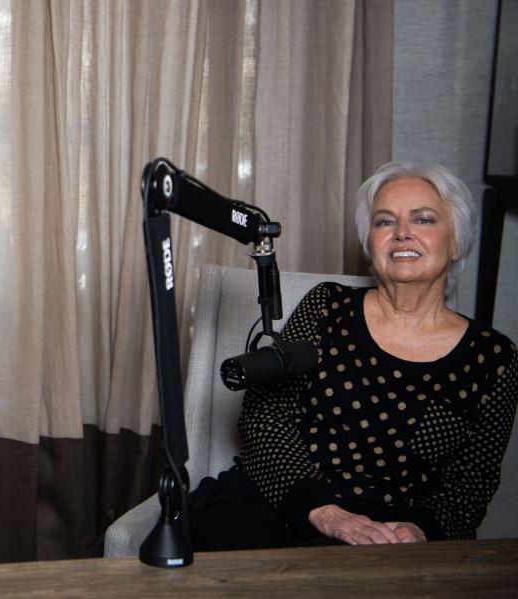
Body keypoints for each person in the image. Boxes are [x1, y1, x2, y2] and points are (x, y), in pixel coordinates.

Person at [188, 161, 518, 550]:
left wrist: (420, 529)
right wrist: (324, 511)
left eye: (424, 219)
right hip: (280, 502)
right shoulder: (328, 306)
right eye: (384, 222)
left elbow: (472, 482)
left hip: (390, 530)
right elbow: (264, 419)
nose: (402, 233)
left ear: (457, 241)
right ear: (370, 242)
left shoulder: (493, 357)